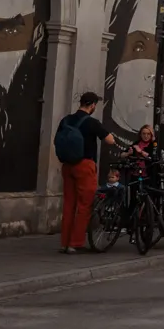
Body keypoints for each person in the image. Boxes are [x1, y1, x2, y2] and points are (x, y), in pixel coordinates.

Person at [56, 91, 115, 253]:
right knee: (85, 205)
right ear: (93, 105)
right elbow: (109, 140)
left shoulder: (66, 120)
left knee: (69, 204)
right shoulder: (91, 122)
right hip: (85, 165)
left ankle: (64, 242)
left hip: (67, 166)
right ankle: (75, 243)